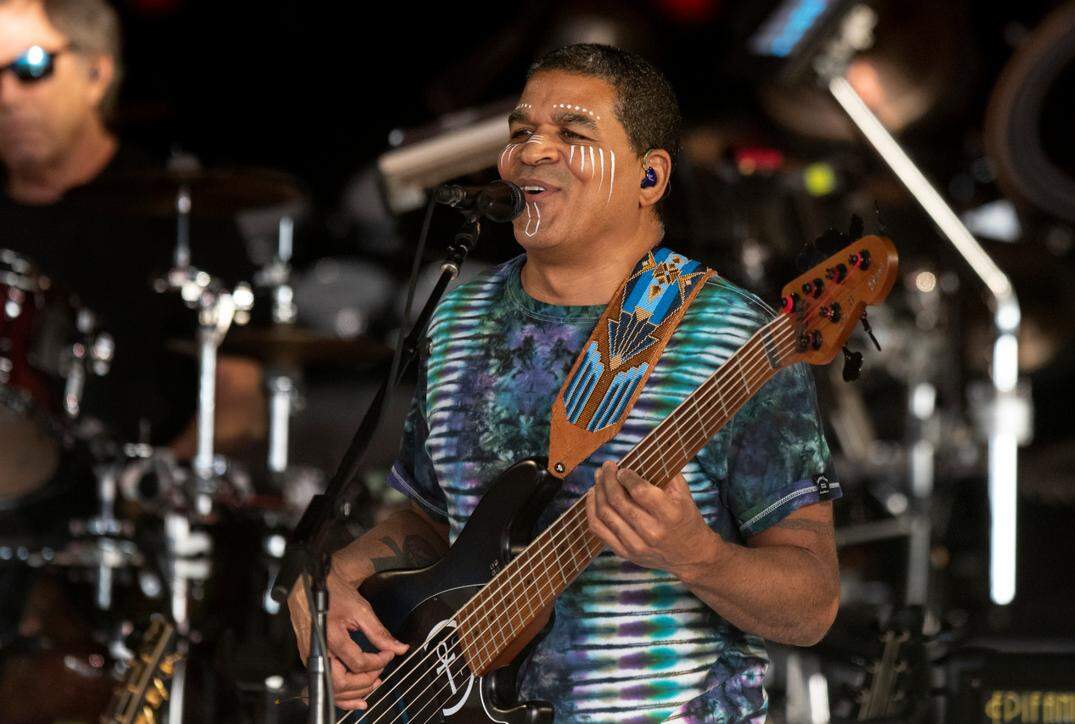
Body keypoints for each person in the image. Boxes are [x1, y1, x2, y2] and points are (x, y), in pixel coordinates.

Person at [288, 43, 840, 722]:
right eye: (521, 131)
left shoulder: (735, 338)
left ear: (649, 178)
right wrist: (342, 581)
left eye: (573, 133)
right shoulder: (458, 314)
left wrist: (699, 558)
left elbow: (813, 604)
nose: (531, 151)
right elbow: (435, 517)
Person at [0, 0, 264, 454]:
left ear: (96, 75)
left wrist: (146, 492)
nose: (5, 96)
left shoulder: (184, 211)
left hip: (133, 507)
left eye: (31, 67)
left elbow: (240, 403)